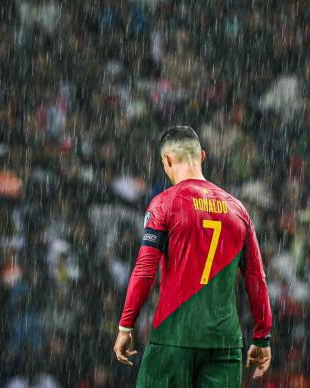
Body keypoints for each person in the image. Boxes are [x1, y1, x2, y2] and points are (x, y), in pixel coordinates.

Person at [113, 126, 272, 387]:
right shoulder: (237, 209)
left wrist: (126, 325)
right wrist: (262, 336)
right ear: (202, 157)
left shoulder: (165, 203)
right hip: (223, 342)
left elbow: (145, 269)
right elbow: (256, 278)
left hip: (174, 334)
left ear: (167, 159)